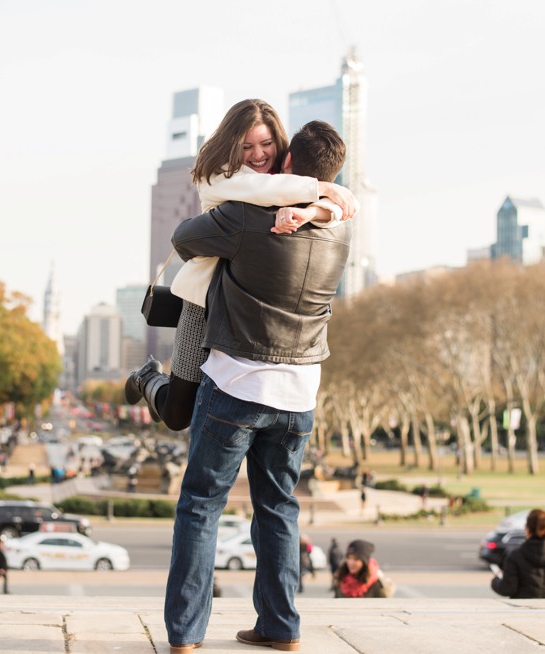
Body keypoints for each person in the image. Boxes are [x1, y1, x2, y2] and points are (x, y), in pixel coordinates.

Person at [162, 120, 352, 654]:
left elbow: (182, 238)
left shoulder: (248, 217)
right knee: (278, 507)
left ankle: (185, 635)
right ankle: (280, 627)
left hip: (237, 383)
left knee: (201, 505)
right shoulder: (340, 226)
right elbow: (338, 203)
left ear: (288, 164)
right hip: (301, 394)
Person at [125, 98, 356, 432]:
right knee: (177, 415)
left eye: (266, 144)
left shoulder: (287, 181)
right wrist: (321, 188)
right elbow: (257, 189)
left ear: (280, 144)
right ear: (232, 145)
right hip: (202, 303)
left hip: (243, 314)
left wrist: (314, 207)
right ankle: (147, 377)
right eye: (247, 146)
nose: (258, 154)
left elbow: (345, 208)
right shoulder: (220, 177)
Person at [491, 508, 545, 599]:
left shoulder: (515, 556)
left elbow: (507, 589)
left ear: (527, 529)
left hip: (522, 610)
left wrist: (495, 581)